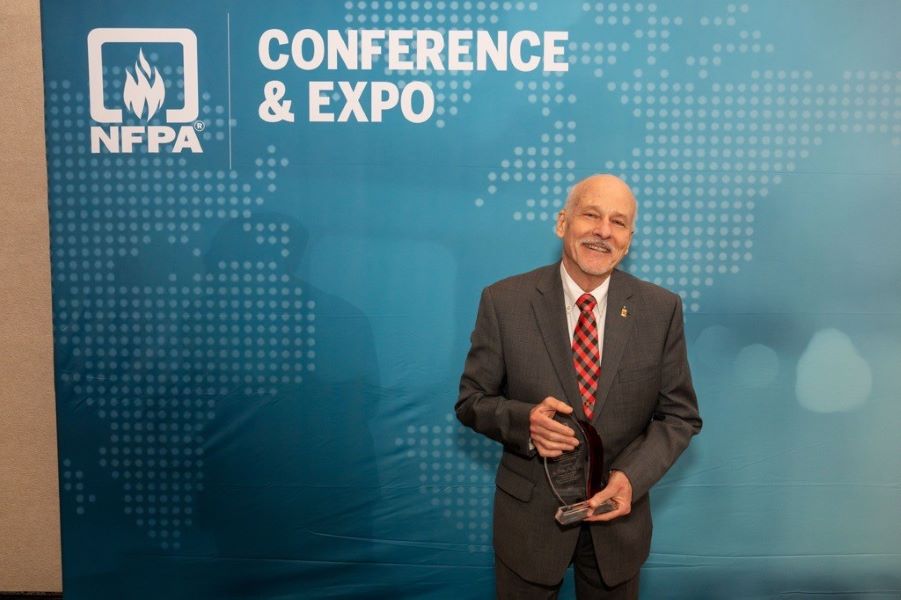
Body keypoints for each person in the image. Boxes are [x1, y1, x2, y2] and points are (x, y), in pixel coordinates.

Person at [456, 174, 702, 598]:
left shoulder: (660, 309)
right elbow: (471, 401)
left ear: (628, 240)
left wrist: (631, 478)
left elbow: (679, 417)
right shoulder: (504, 301)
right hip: (529, 527)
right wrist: (526, 423)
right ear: (562, 223)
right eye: (591, 215)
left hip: (617, 525)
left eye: (618, 222)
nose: (603, 231)